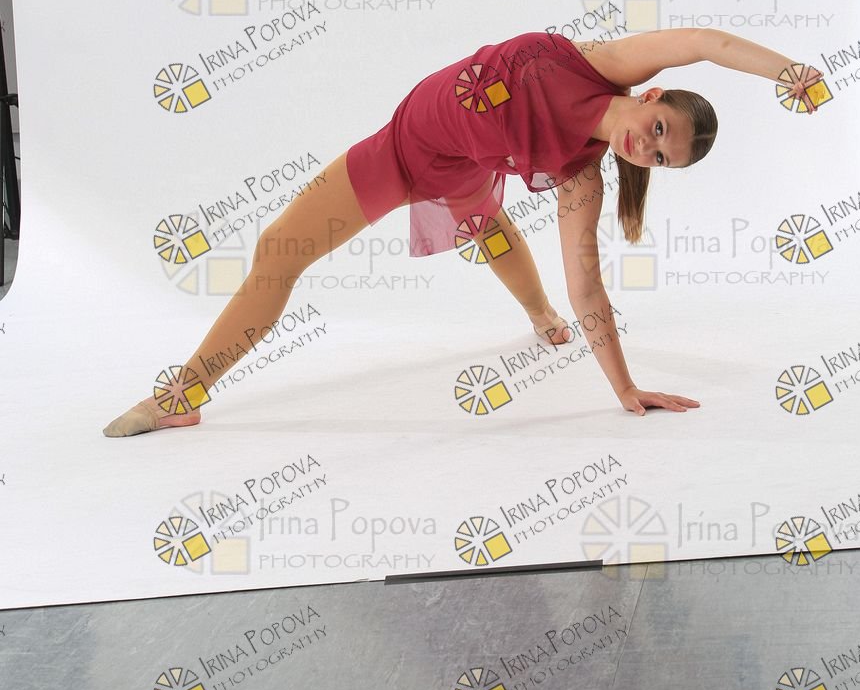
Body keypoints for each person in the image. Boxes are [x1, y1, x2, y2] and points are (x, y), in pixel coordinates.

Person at [102, 26, 821, 435]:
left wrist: (627, 389)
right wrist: (787, 70)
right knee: (280, 251)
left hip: (458, 172)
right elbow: (705, 42)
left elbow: (589, 287)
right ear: (653, 94)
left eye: (662, 159)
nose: (648, 147)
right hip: (398, 152)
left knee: (485, 223)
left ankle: (178, 397)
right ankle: (190, 393)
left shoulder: (581, 176)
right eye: (659, 129)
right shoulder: (600, 65)